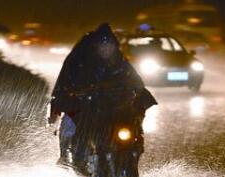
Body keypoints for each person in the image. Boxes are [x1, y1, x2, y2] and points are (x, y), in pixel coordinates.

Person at [49, 23, 157, 168]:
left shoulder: (120, 63)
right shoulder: (81, 63)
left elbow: (135, 82)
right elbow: (65, 83)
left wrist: (138, 95)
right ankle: (73, 158)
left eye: (110, 46)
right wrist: (72, 95)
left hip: (114, 111)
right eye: (103, 46)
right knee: (73, 128)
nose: (107, 50)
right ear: (96, 47)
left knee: (134, 129)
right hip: (87, 107)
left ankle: (130, 154)